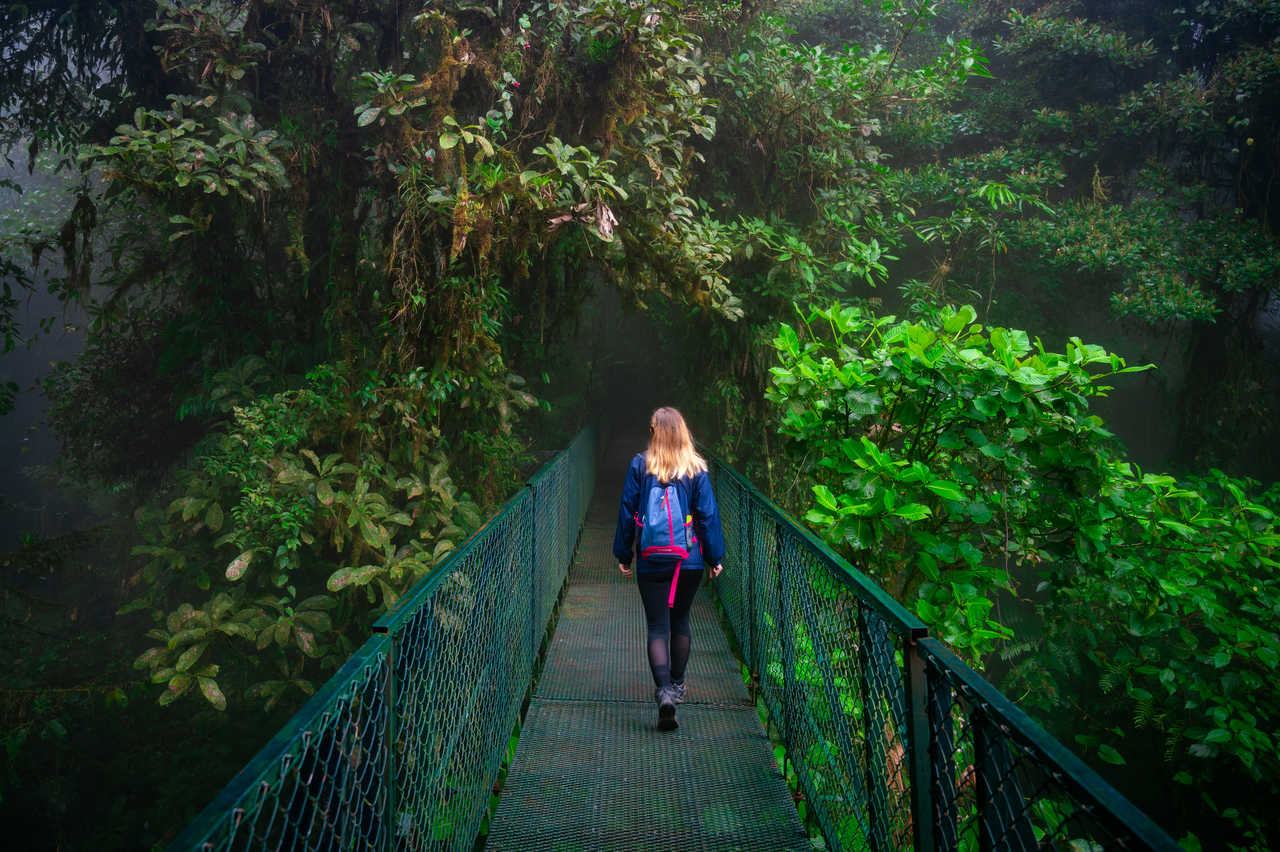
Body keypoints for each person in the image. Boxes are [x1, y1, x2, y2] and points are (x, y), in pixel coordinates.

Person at [613, 406, 725, 731]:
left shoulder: (640, 465)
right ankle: (677, 685)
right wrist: (714, 557)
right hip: (688, 560)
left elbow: (626, 510)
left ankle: (663, 692)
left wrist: (624, 553)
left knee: (656, 627)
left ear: (655, 433)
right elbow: (707, 516)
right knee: (681, 621)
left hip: (651, 559)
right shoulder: (696, 469)